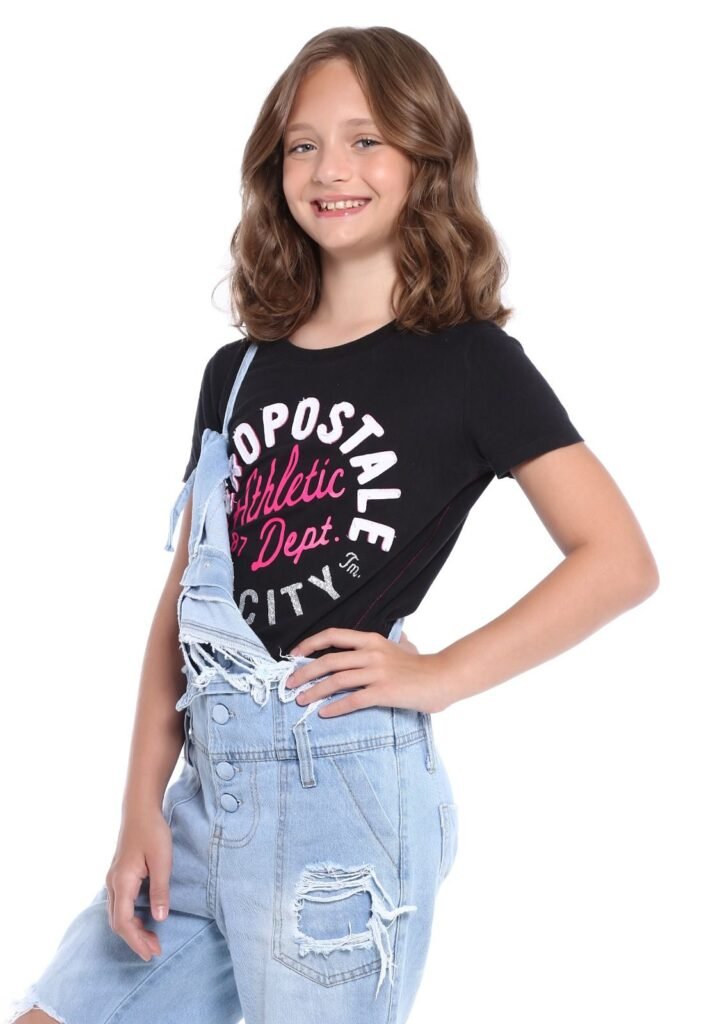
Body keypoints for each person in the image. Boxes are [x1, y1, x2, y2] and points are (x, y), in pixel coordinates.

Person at [6, 24, 659, 1024]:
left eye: (365, 141)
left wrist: (440, 673)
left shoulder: (469, 362)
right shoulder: (238, 371)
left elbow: (617, 559)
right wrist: (140, 803)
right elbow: (186, 601)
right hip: (206, 796)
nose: (330, 169)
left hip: (341, 799)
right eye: (303, 145)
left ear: (424, 159)